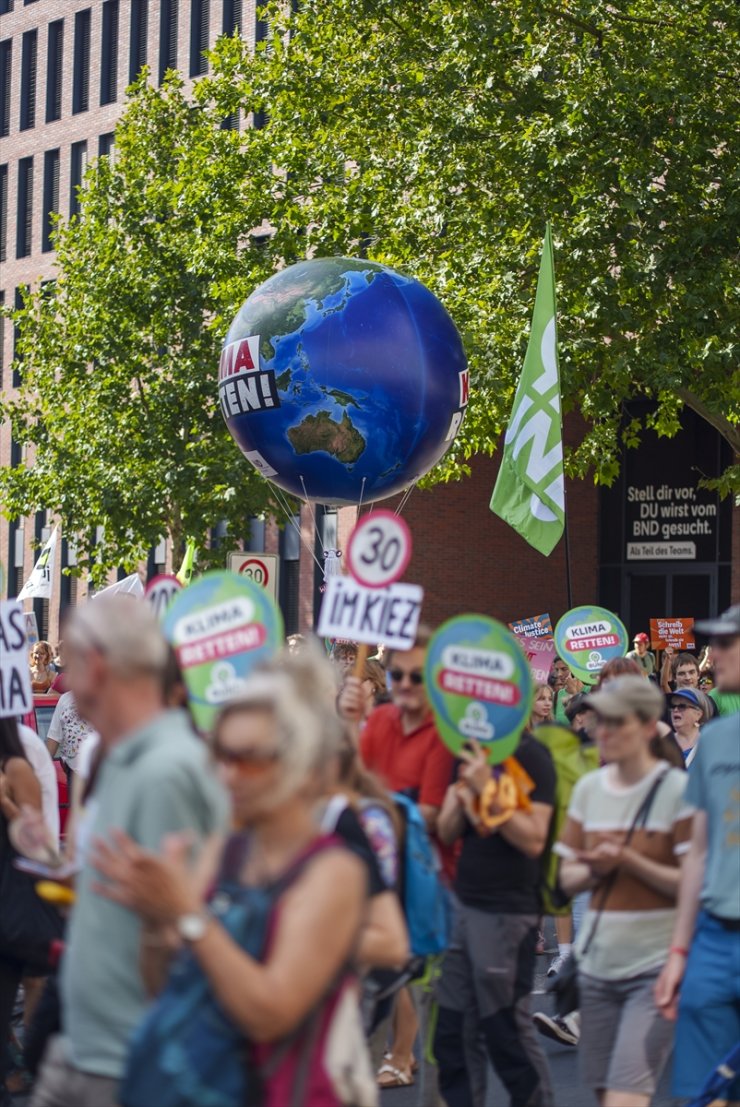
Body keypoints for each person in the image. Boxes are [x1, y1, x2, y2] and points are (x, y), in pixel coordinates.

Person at [92, 650, 378, 1107]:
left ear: (298, 763)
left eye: (247, 759)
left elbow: (269, 1013)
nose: (226, 775)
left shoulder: (333, 871)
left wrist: (186, 913)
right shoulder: (223, 851)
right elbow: (165, 986)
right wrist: (152, 919)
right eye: (220, 755)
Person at [29, 596, 228, 1107]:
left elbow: (173, 926)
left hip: (126, 1063)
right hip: (84, 1047)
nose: (62, 677)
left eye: (70, 662)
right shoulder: (119, 755)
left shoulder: (166, 769)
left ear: (96, 665)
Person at [555, 676, 693, 1107]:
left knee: (625, 1096)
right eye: (600, 722)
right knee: (603, 1091)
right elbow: (564, 878)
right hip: (596, 970)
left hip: (652, 970)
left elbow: (693, 882)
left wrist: (631, 861)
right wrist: (594, 868)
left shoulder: (678, 791)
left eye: (617, 722)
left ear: (649, 729)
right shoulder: (588, 789)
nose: (602, 732)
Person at [339, 626, 455, 1093]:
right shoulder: (382, 722)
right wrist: (350, 725)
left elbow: (426, 816)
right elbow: (354, 783)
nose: (405, 684)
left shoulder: (443, 734)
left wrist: (374, 807)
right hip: (379, 872)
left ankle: (407, 1058)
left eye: (417, 676)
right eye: (398, 674)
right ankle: (387, 1057)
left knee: (435, 1023)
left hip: (427, 882)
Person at [433, 733, 556, 1107]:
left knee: (505, 1031)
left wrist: (487, 785)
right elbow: (447, 830)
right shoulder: (469, 752)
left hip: (508, 909)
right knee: (452, 1031)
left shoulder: (532, 755)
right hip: (464, 905)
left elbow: (533, 839)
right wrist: (461, 793)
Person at [655, 604, 740, 1106]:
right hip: (712, 937)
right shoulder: (716, 742)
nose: (715, 655)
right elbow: (697, 852)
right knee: (700, 1093)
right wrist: (679, 952)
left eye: (728, 644)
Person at [0, 718, 54, 1107]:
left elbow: (42, 844)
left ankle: (24, 1069)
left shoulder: (17, 765)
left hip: (12, 894)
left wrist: (5, 803)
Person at [45, 692, 95, 782]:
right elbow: (54, 737)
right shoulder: (65, 699)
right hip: (74, 774)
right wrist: (42, 770)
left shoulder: (107, 696)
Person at [667, 687, 711, 766]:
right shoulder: (662, 744)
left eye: (682, 706)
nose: (675, 710)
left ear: (698, 714)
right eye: (673, 706)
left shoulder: (710, 744)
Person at [549, 658, 583, 725]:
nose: (559, 674)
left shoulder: (592, 691)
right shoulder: (555, 696)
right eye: (557, 670)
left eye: (564, 669)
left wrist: (574, 692)